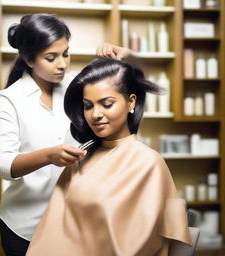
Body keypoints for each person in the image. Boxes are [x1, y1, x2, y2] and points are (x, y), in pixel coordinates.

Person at [0, 13, 132, 256]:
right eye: (51, 57)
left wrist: (125, 57)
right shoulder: (9, 99)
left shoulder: (75, 88)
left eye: (66, 53)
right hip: (24, 227)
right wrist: (49, 156)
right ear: (28, 59)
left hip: (71, 221)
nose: (62, 64)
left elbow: (126, 94)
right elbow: (3, 164)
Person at [26, 57, 191, 256]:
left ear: (131, 102)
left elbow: (147, 241)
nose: (95, 114)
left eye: (107, 104)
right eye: (88, 105)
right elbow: (50, 232)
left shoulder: (149, 162)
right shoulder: (80, 159)